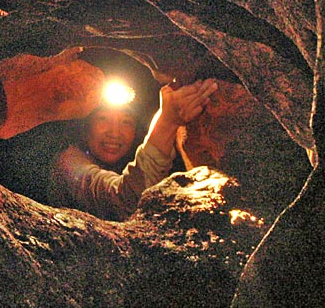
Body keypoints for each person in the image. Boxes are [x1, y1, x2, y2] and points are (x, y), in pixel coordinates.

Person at [47, 78, 219, 221]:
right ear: (85, 126)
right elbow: (125, 202)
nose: (115, 133)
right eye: (103, 119)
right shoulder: (68, 164)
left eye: (126, 122)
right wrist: (166, 123)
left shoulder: (123, 162)